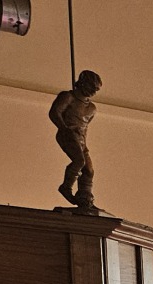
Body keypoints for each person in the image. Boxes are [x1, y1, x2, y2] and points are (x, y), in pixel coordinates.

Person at [49, 69, 101, 210]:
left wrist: (83, 142)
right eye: (91, 87)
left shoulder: (92, 108)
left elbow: (85, 127)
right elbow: (55, 112)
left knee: (89, 170)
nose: (93, 92)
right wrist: (64, 128)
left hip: (81, 140)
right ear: (82, 83)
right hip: (67, 135)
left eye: (96, 89)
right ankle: (66, 187)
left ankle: (85, 198)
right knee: (79, 161)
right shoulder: (68, 97)